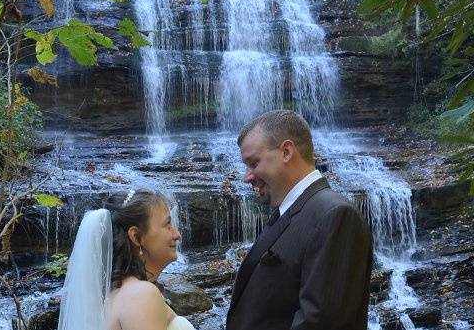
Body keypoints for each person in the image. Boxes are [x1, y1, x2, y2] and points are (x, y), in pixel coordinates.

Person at [227, 110, 373, 330]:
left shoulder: (335, 215)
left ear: (286, 151)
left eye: (254, 163)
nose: (246, 176)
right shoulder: (293, 211)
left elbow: (322, 323)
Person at [56, 189, 195, 330]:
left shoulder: (117, 294)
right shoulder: (141, 296)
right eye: (167, 224)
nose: (177, 234)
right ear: (136, 236)